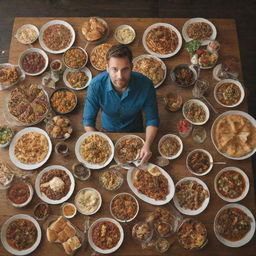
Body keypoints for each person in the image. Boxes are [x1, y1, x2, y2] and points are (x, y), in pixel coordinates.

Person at [83, 44, 159, 165]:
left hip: (136, 129)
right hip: (108, 130)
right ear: (107, 68)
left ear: (132, 67)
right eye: (114, 69)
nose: (120, 76)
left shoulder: (146, 84)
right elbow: (88, 121)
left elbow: (152, 119)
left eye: (125, 69)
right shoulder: (95, 85)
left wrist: (147, 144)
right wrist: (100, 145)